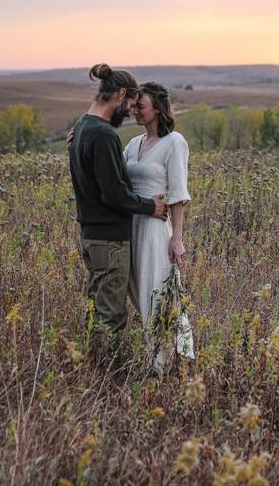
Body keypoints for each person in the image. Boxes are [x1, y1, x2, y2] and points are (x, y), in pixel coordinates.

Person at [68, 64, 168, 367]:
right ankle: (104, 379)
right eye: (130, 104)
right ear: (121, 95)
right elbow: (114, 194)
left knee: (96, 308)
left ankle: (90, 367)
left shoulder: (82, 128)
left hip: (90, 237)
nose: (130, 112)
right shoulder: (103, 135)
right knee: (111, 314)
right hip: (109, 240)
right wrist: (150, 207)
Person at [124, 81, 194, 373]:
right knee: (137, 293)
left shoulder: (174, 142)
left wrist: (176, 238)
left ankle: (162, 363)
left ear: (158, 108)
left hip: (155, 231)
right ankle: (153, 354)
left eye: (140, 106)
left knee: (157, 292)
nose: (135, 111)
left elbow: (178, 193)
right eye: (133, 106)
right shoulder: (132, 143)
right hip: (130, 227)